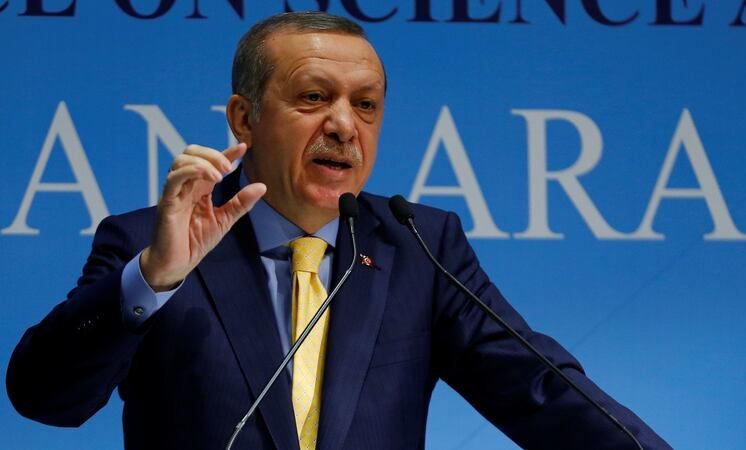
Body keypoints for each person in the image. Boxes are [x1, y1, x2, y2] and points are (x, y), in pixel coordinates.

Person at [7, 11, 671, 450]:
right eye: (313, 97)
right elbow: (44, 399)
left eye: (367, 105)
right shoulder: (150, 243)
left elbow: (544, 391)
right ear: (244, 118)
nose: (345, 125)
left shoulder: (417, 247)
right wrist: (155, 278)